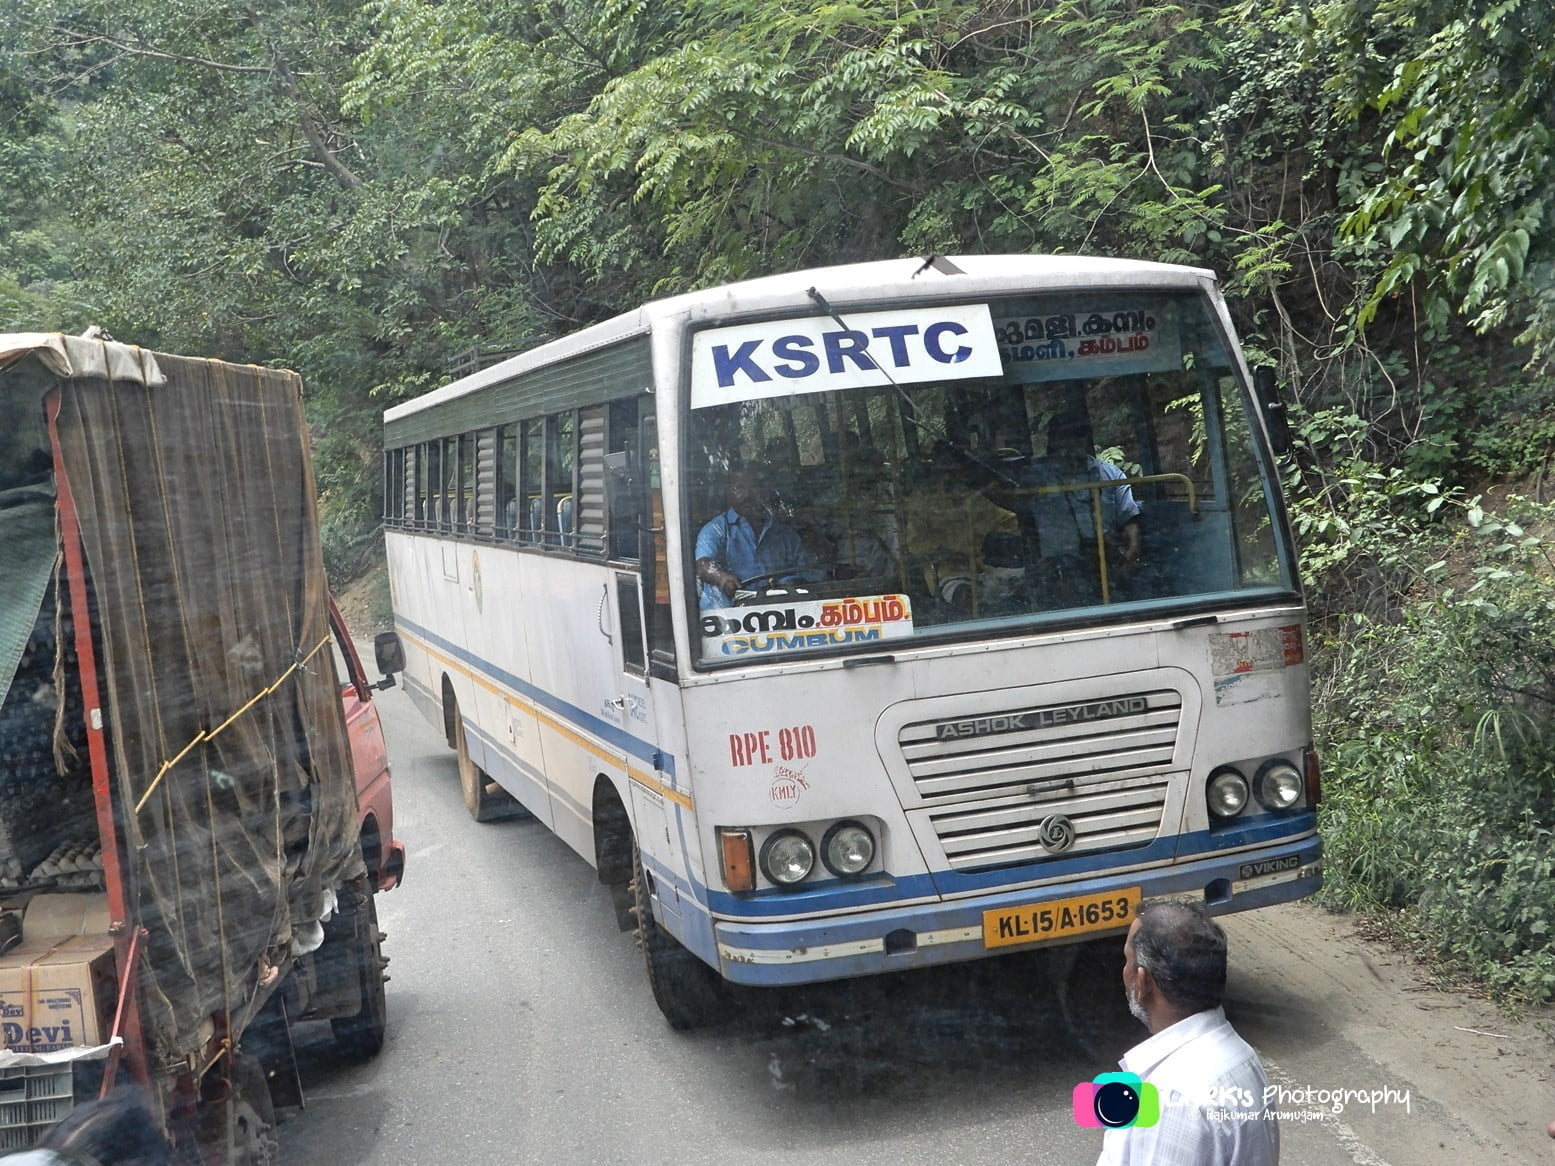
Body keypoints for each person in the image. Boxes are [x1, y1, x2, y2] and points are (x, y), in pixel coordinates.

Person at [1094, 900, 1278, 1166]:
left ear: (1143, 982)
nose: (1124, 972)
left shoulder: (1172, 1099)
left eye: (1127, 961)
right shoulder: (1242, 1057)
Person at [694, 464, 819, 608]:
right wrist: (721, 577)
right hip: (727, 620)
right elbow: (703, 565)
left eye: (755, 487)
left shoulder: (784, 534)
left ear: (766, 492)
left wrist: (793, 582)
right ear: (728, 493)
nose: (747, 495)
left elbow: (810, 572)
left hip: (780, 614)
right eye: (739, 487)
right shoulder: (715, 530)